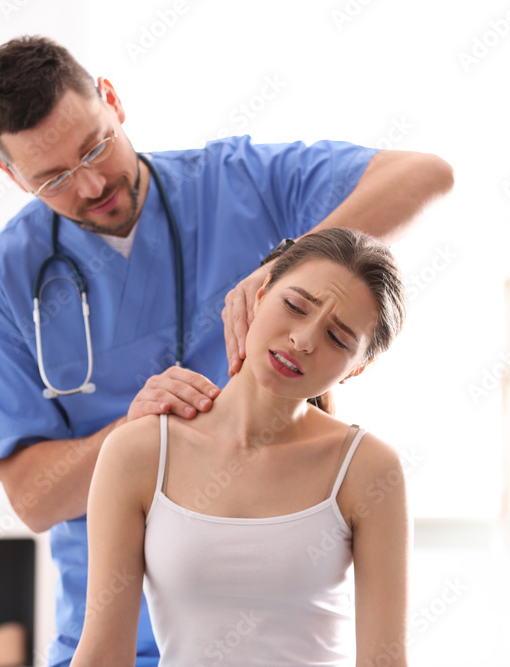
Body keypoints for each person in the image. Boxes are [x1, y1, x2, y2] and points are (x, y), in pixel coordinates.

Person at [0, 35, 452, 666]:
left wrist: (290, 267)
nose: (90, 185)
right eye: (53, 178)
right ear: (11, 175)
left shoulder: (235, 183)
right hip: (106, 630)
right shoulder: (7, 277)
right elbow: (33, 498)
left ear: (112, 100)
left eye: (95, 146)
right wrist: (141, 436)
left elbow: (427, 175)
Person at [73, 228, 410, 666]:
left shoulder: (368, 469)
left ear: (357, 369)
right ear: (258, 295)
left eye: (338, 339)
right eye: (294, 306)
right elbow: (103, 654)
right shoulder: (138, 452)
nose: (304, 340)